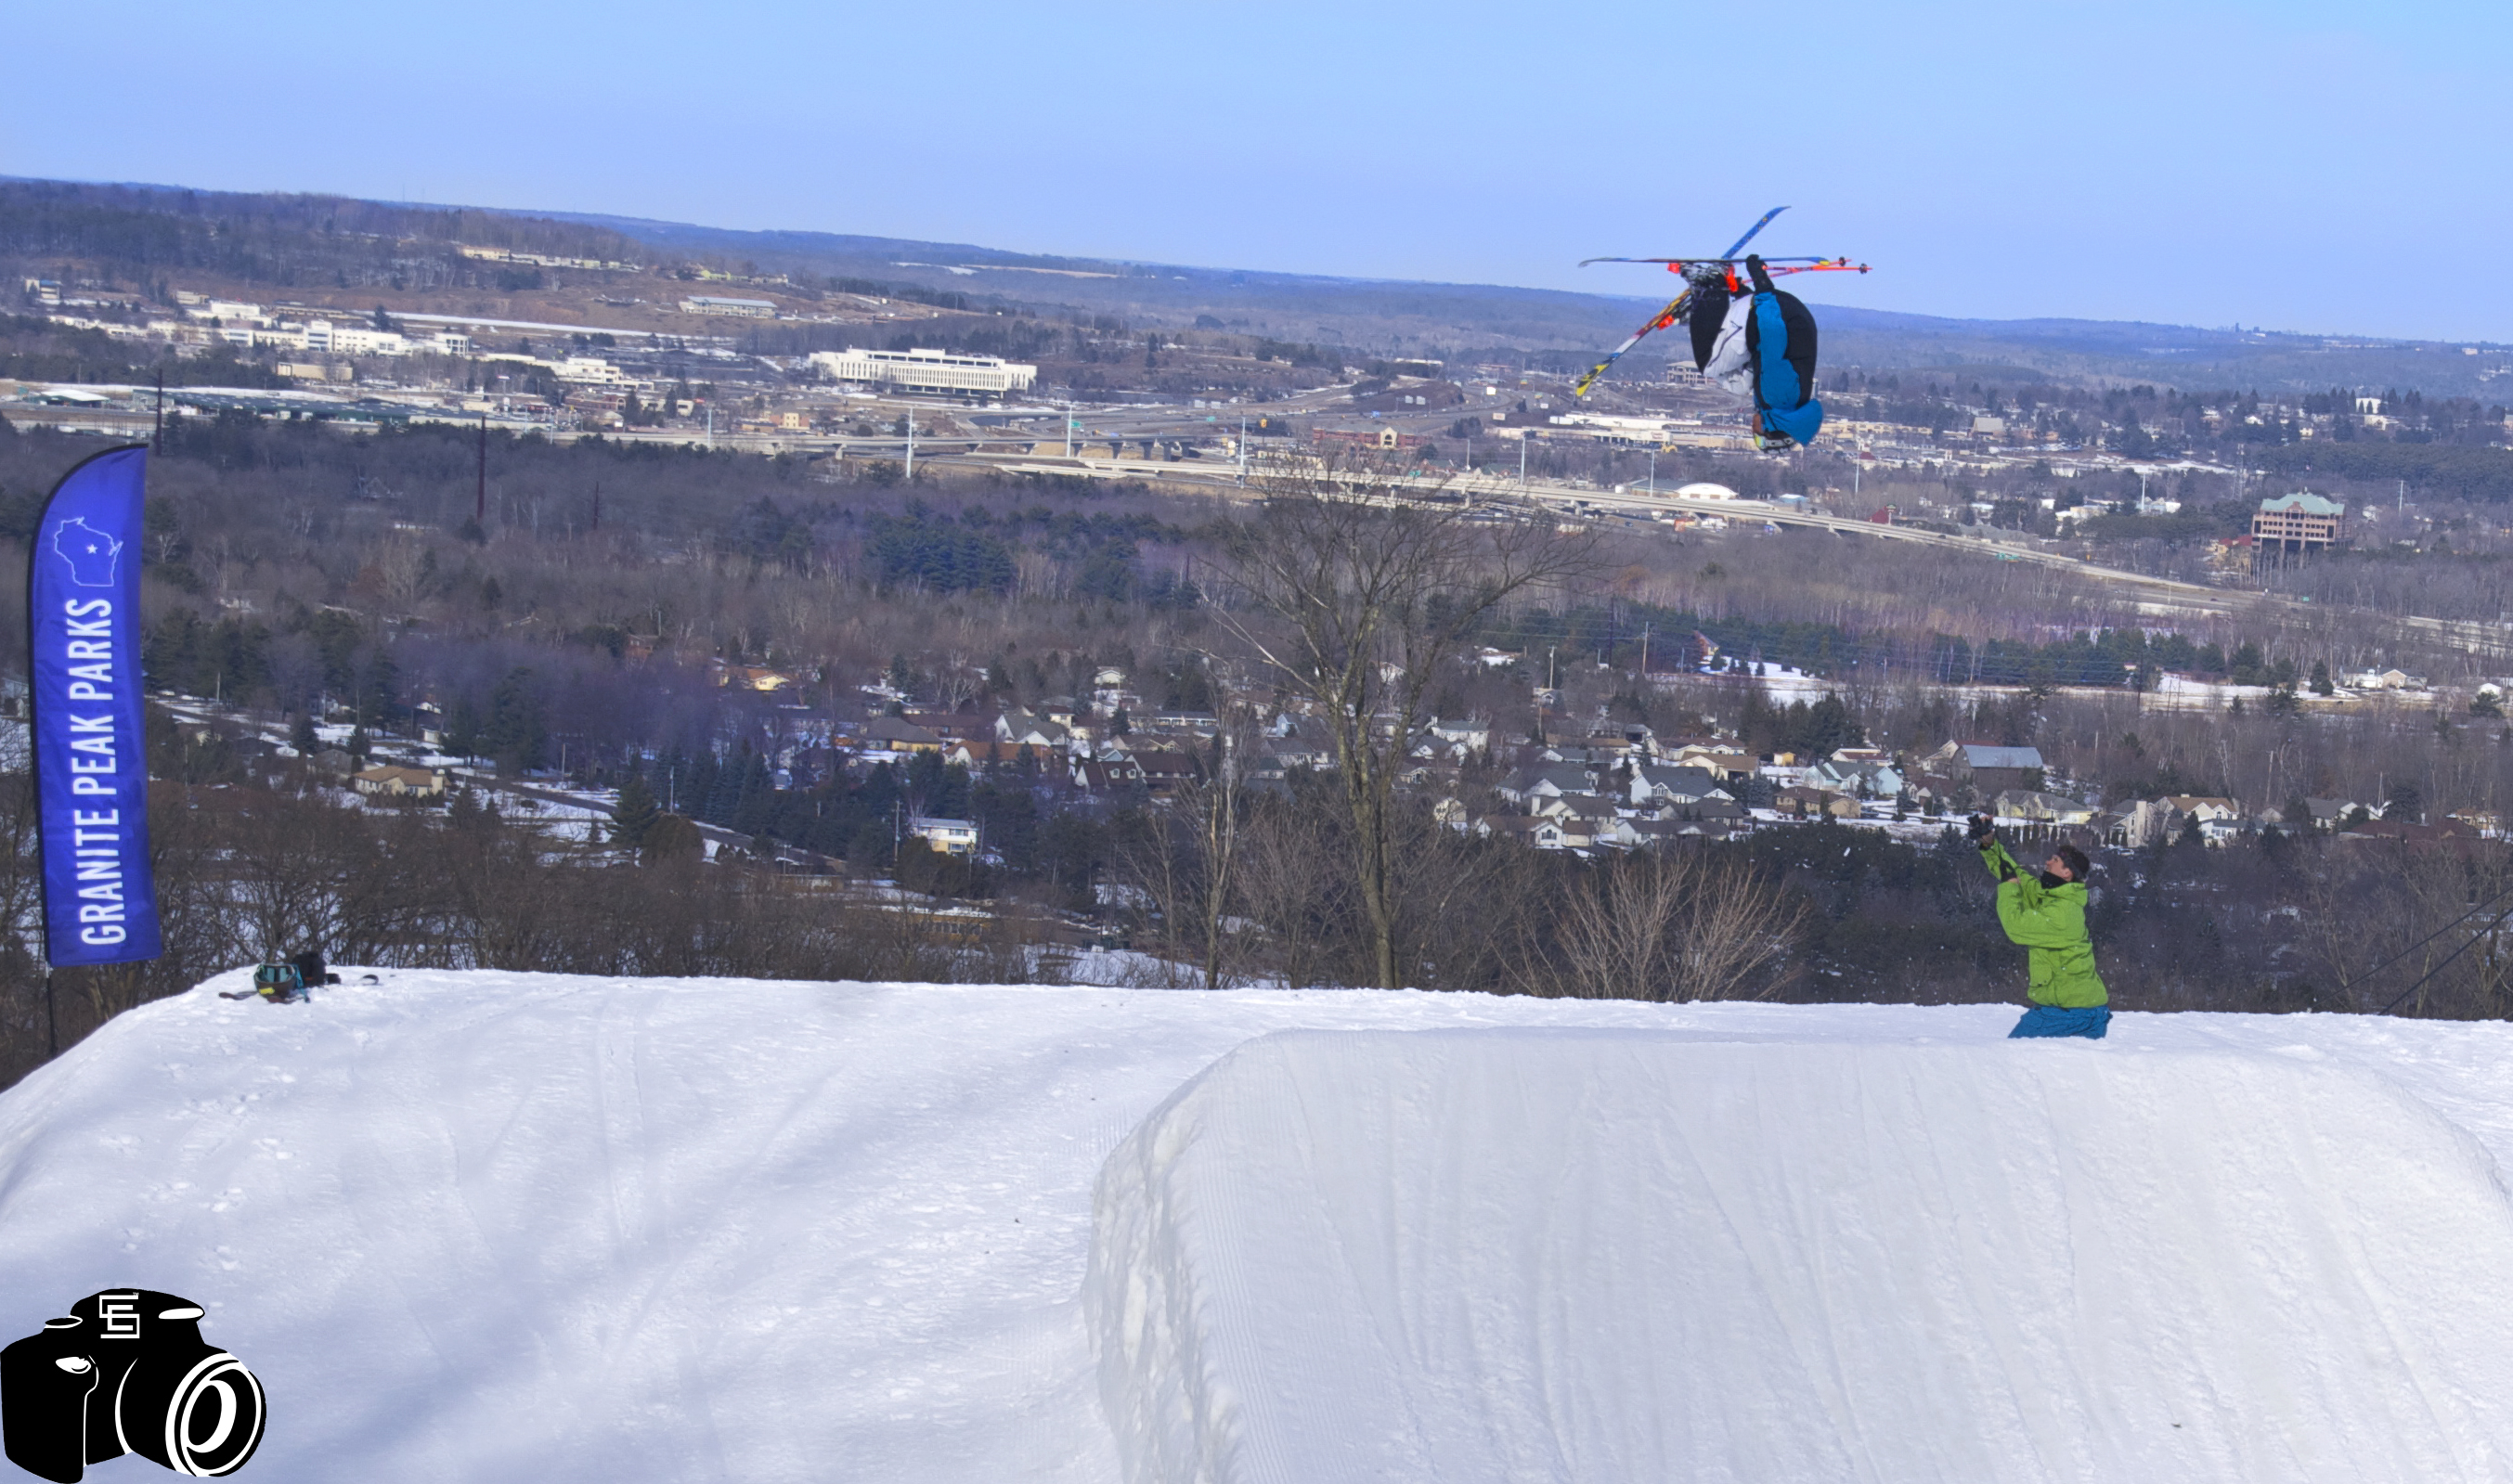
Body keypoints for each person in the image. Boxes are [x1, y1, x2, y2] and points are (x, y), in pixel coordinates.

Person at [1966, 816, 2108, 1039]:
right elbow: (2013, 873)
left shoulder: (2063, 914)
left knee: (2013, 1060)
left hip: (2070, 1014)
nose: (2046, 862)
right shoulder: (2049, 896)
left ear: (2066, 873)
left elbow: (2015, 927)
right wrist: (1990, 844)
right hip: (2073, 1009)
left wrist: (2008, 888)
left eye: (2054, 860)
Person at [1684, 254, 1825, 450]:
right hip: (1775, 314)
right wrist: (1762, 285)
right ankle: (1709, 285)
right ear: (1772, 430)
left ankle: (1707, 318)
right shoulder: (1779, 397)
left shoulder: (1785, 405)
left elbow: (1764, 361)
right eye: (1758, 437)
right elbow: (1773, 343)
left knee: (1740, 386)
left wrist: (1741, 292)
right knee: (1709, 364)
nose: (1752, 430)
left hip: (1780, 314)